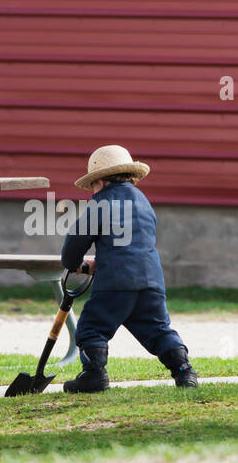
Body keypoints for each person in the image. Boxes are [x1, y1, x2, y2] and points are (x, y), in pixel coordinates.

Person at [60, 145, 198, 392]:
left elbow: (75, 242)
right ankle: (184, 372)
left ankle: (94, 375)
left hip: (115, 283)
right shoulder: (143, 201)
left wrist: (73, 264)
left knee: (92, 326)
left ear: (100, 181)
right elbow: (131, 244)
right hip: (151, 281)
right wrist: (100, 262)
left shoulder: (101, 203)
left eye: (92, 186)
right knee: (157, 329)